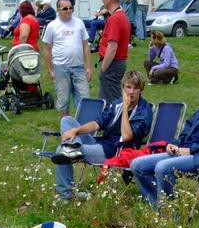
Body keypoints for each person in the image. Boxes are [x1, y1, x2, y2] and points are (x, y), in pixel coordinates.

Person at [132, 67, 199, 209]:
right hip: (186, 153)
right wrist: (175, 144)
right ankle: (157, 206)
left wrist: (189, 150)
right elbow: (188, 130)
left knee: (162, 168)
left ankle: (170, 214)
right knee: (137, 165)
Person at [51, 70, 152, 200]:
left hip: (114, 151)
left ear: (141, 90)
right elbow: (97, 124)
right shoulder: (116, 104)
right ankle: (71, 148)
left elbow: (127, 136)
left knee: (60, 150)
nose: (131, 92)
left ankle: (65, 196)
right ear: (123, 88)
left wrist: (126, 109)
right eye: (128, 87)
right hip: (101, 143)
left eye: (135, 88)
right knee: (66, 120)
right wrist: (76, 131)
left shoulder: (144, 111)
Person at [41, 0, 91, 118]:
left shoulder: (79, 23)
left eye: (70, 8)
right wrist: (50, 70)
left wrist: (88, 67)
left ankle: (83, 131)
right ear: (58, 10)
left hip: (78, 68)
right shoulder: (52, 26)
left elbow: (85, 45)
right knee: (63, 102)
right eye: (65, 8)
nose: (68, 11)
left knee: (85, 100)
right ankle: (66, 131)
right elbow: (47, 49)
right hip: (61, 68)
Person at [97, 0, 129, 104]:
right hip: (118, 62)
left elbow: (112, 47)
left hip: (113, 63)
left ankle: (117, 121)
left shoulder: (115, 18)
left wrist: (103, 68)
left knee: (110, 103)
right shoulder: (122, 15)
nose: (102, 0)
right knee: (113, 98)